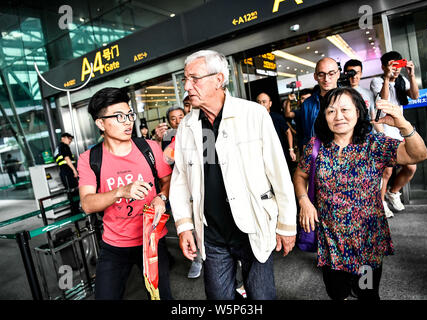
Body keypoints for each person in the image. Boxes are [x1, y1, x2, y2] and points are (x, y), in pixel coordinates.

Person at [170, 50, 297, 300]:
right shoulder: (189, 125)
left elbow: (279, 172)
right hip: (213, 234)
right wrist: (184, 226)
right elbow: (182, 179)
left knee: (261, 296)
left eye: (194, 79)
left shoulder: (253, 114)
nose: (187, 86)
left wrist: (287, 224)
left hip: (253, 225)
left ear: (218, 79)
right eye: (186, 79)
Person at [293, 87, 427, 300]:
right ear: (324, 116)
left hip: (367, 245)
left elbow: (418, 154)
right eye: (331, 111)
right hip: (331, 244)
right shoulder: (315, 147)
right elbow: (300, 175)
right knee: (337, 294)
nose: (338, 116)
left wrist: (403, 124)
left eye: (345, 109)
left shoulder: (374, 145)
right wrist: (304, 201)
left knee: (367, 294)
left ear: (358, 112)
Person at [77, 87, 173, 300]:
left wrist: (162, 197)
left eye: (130, 115)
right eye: (119, 117)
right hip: (114, 244)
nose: (128, 121)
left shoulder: (149, 148)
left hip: (152, 240)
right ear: (100, 123)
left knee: (161, 297)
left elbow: (168, 181)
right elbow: (87, 204)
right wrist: (121, 191)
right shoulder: (89, 159)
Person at [154, 104, 203, 279]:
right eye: (173, 118)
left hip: (196, 183)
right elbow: (162, 162)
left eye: (180, 116)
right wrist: (158, 141)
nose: (177, 121)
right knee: (186, 224)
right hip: (178, 187)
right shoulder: (168, 138)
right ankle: (196, 260)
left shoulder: (195, 130)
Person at [371, 51, 419, 217]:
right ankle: (381, 203)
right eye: (392, 65)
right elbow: (383, 101)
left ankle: (393, 192)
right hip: (384, 131)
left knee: (411, 167)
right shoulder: (376, 81)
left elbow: (414, 95)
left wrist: (411, 75)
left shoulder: (402, 80)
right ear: (383, 66)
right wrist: (387, 77)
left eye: (398, 65)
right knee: (387, 171)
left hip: (399, 131)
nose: (396, 68)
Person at [288, 58, 340, 151]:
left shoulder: (351, 98)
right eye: (321, 74)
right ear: (315, 76)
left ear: (338, 74)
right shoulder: (307, 104)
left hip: (348, 153)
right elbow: (305, 134)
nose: (326, 79)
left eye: (331, 74)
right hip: (319, 155)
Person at [256, 92, 296, 169]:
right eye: (259, 102)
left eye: (264, 102)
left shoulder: (277, 117)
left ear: (270, 104)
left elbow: (288, 132)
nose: (261, 104)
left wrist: (291, 150)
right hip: (265, 155)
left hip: (281, 152)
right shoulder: (254, 120)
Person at [343, 59, 375, 124]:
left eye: (357, 73)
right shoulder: (340, 94)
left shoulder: (368, 93)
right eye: (351, 73)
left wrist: (381, 133)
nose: (354, 76)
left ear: (361, 74)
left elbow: (373, 117)